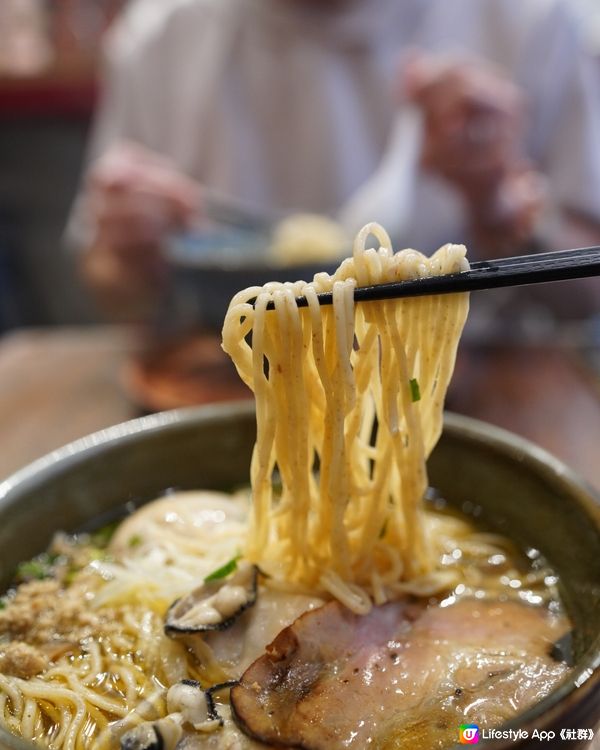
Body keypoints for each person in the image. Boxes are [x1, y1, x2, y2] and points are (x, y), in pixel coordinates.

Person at [72, 0, 600, 320]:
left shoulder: (534, 20)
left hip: (477, 383)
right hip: (217, 380)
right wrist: (126, 251)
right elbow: (106, 286)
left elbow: (588, 292)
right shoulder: (160, 37)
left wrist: (503, 205)